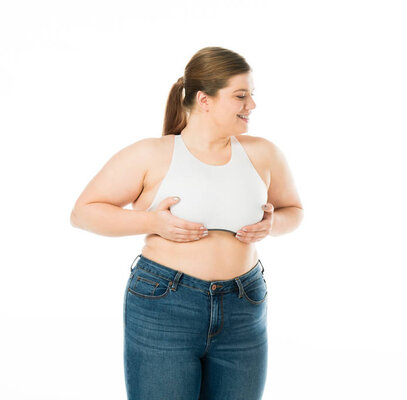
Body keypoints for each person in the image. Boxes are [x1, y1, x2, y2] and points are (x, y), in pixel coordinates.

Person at [70, 46, 303, 400]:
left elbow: (293, 211)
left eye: (252, 95)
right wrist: (152, 222)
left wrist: (272, 226)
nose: (251, 105)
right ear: (204, 100)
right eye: (240, 96)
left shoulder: (263, 153)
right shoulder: (151, 153)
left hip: (244, 305)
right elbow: (83, 212)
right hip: (165, 304)